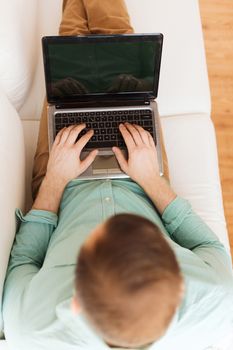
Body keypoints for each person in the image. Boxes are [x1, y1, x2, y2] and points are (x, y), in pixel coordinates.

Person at [2, 1, 233, 350]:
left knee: (70, 62)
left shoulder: (28, 324)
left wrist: (55, 179)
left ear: (76, 302)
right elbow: (207, 246)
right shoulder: (217, 300)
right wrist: (149, 178)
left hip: (61, 183)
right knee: (121, 59)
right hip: (144, 179)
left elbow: (25, 260)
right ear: (181, 284)